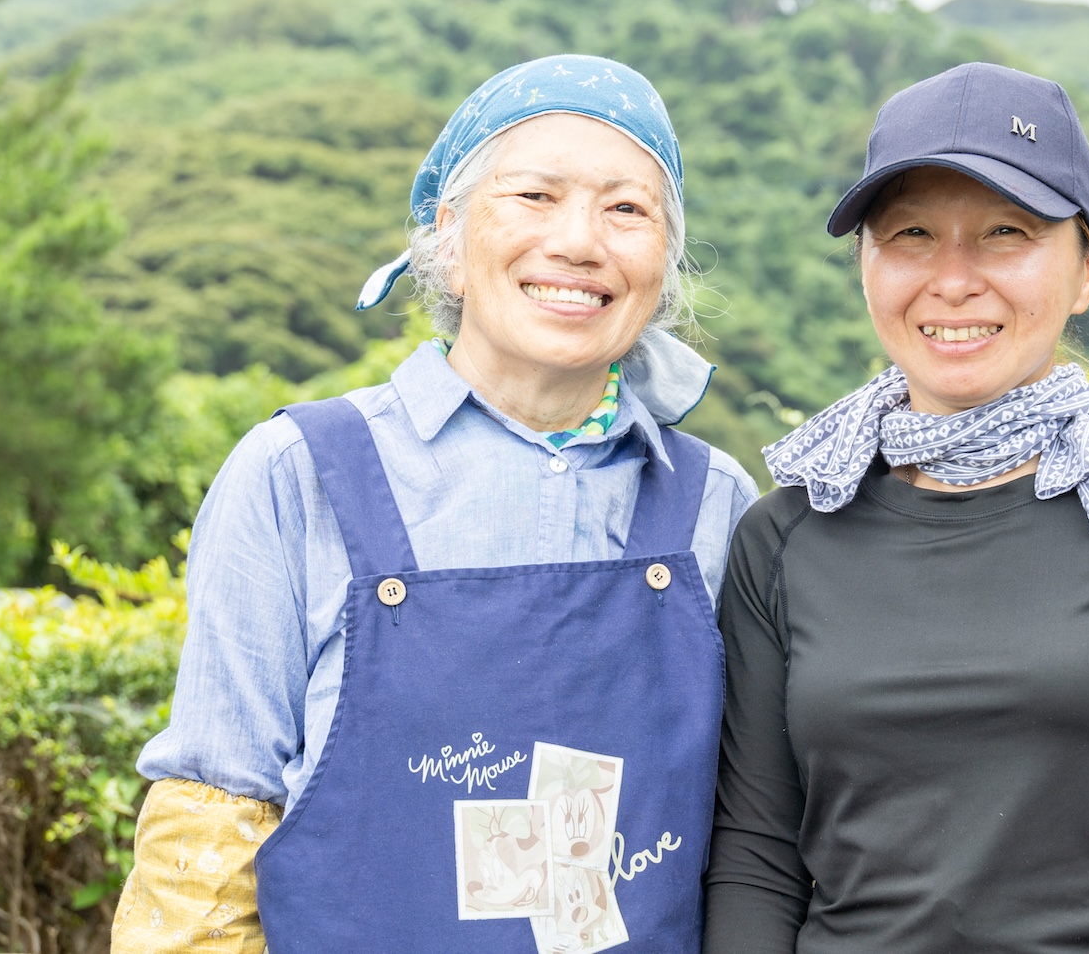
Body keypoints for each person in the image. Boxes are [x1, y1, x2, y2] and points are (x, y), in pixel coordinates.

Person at [112, 54, 758, 954]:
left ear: (663, 264)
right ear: (446, 238)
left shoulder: (715, 504)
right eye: (534, 195)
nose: (579, 241)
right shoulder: (298, 472)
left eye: (626, 208)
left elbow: (753, 840)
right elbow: (208, 836)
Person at [703, 63, 1089, 953]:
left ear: (1087, 267)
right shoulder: (785, 535)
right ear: (866, 266)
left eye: (1006, 232)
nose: (953, 280)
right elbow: (758, 859)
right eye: (911, 233)